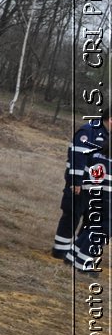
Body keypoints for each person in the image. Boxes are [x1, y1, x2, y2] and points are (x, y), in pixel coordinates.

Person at [55, 108, 109, 272]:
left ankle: (74, 253)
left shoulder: (108, 134)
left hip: (96, 187)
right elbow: (78, 157)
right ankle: (60, 251)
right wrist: (75, 181)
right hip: (79, 185)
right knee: (71, 214)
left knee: (90, 220)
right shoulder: (89, 130)